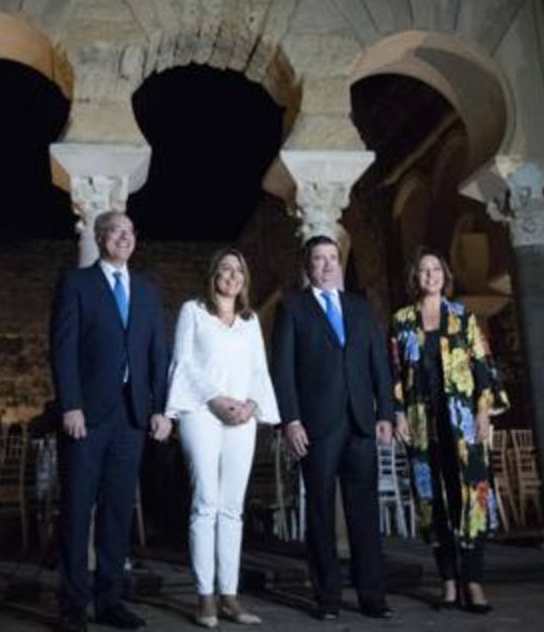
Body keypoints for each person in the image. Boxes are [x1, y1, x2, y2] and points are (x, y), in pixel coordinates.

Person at [50, 210, 172, 632]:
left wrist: (161, 408)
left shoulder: (147, 291)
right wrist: (70, 404)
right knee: (78, 508)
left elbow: (159, 356)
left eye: (130, 231)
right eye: (117, 231)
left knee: (118, 510)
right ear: (101, 238)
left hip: (133, 415)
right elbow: (63, 349)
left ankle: (110, 600)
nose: (125, 237)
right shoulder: (76, 283)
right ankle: (71, 605)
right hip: (86, 415)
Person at [270, 235, 395, 621]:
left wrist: (386, 414)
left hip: (360, 422)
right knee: (321, 512)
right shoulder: (293, 308)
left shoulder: (359, 307)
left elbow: (378, 364)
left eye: (332, 258)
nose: (326, 265)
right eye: (318, 259)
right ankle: (328, 597)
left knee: (364, 513)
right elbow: (283, 370)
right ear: (307, 267)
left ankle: (373, 595)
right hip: (316, 425)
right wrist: (290, 420)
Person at [388, 248, 509, 614]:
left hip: (464, 422)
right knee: (431, 500)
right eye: (423, 270)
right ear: (416, 278)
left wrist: (485, 411)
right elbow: (394, 373)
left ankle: (473, 580)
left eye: (436, 269)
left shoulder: (463, 317)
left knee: (472, 497)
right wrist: (397, 414)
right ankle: (449, 581)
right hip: (423, 423)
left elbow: (483, 365)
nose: (430, 275)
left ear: (445, 275)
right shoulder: (402, 321)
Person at [166, 248, 280, 628]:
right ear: (214, 274)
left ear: (244, 280)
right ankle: (205, 597)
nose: (232, 275)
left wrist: (250, 405)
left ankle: (230, 595)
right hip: (202, 412)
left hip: (241, 417)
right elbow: (182, 363)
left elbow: (259, 370)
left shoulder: (249, 322)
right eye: (226, 269)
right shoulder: (193, 311)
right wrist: (215, 399)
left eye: (239, 271)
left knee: (232, 506)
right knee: (206, 502)